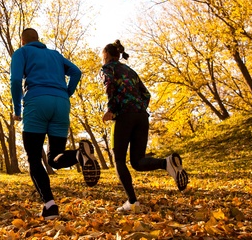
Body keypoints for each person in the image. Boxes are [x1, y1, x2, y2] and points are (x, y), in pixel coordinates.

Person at [10, 28, 100, 220]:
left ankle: (50, 206)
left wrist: (17, 110)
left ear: (22, 41)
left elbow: (16, 80)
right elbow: (76, 72)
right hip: (61, 104)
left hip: (36, 102)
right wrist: (66, 93)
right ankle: (79, 154)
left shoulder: (22, 52)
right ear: (38, 39)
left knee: (34, 158)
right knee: (54, 158)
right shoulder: (55, 55)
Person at [100, 40, 189, 213]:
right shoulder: (131, 71)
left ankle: (132, 202)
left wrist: (111, 109)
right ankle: (166, 163)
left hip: (123, 115)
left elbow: (109, 86)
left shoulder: (107, 68)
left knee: (118, 159)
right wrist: (139, 108)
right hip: (141, 116)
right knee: (137, 162)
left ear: (107, 55)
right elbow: (146, 94)